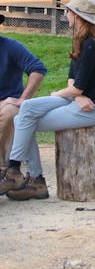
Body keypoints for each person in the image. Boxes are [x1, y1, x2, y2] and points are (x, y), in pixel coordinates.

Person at [0, 0, 95, 201]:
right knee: (26, 111)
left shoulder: (90, 45)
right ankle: (23, 175)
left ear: (77, 16)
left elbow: (76, 88)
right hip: (77, 101)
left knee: (25, 119)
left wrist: (61, 94)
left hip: (89, 111)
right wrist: (75, 95)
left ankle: (27, 176)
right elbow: (73, 83)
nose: (66, 14)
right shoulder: (80, 40)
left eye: (68, 11)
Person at [0, 14, 47, 175]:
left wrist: (22, 99)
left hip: (8, 102)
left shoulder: (11, 46)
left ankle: (4, 170)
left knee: (8, 114)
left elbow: (38, 69)